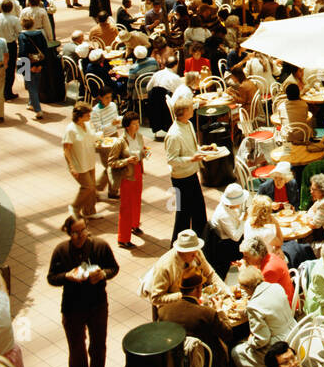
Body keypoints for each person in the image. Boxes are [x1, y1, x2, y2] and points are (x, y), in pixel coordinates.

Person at [46, 215, 119, 367]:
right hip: (72, 307)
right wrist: (67, 276)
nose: (80, 236)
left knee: (98, 349)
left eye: (82, 230)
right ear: (68, 233)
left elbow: (113, 268)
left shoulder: (100, 246)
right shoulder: (61, 251)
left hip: (97, 305)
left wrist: (103, 274)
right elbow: (51, 278)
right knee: (76, 348)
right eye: (75, 232)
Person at [231, 264, 298, 367]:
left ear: (248, 288)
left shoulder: (254, 306)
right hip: (294, 334)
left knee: (236, 351)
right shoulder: (276, 287)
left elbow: (262, 339)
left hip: (278, 345)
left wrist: (249, 340)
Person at [157, 273, 228, 367]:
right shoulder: (207, 313)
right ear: (198, 289)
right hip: (206, 363)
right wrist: (220, 310)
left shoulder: (163, 311)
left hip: (176, 362)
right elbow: (228, 334)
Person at [165, 89, 209, 238]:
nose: (193, 109)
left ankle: (200, 242)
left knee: (199, 212)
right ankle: (176, 247)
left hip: (191, 173)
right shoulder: (174, 134)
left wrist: (201, 150)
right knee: (183, 216)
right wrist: (191, 159)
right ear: (183, 112)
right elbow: (171, 159)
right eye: (191, 108)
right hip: (181, 179)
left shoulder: (188, 124)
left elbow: (192, 146)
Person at [148, 230, 228, 310]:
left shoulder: (196, 253)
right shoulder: (164, 267)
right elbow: (156, 298)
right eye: (192, 254)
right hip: (173, 309)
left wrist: (226, 290)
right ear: (181, 252)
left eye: (196, 251)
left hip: (195, 301)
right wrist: (186, 295)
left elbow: (210, 274)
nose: (196, 255)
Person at [106, 112, 147, 250]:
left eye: (137, 123)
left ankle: (134, 225)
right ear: (127, 126)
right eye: (134, 124)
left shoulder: (140, 137)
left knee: (137, 201)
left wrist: (144, 153)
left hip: (138, 171)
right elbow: (111, 162)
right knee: (126, 206)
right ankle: (123, 238)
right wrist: (126, 161)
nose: (137, 126)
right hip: (126, 176)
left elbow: (141, 151)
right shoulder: (120, 142)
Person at [62, 101, 100, 221]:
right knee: (87, 187)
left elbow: (92, 137)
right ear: (80, 116)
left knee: (92, 187)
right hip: (79, 164)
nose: (90, 117)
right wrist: (72, 167)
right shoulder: (71, 130)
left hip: (89, 161)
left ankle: (89, 211)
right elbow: (66, 150)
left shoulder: (87, 125)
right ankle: (74, 207)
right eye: (87, 115)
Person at [207, 182, 248, 269]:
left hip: (231, 237)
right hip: (227, 245)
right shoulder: (223, 215)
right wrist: (243, 221)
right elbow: (235, 237)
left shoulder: (227, 206)